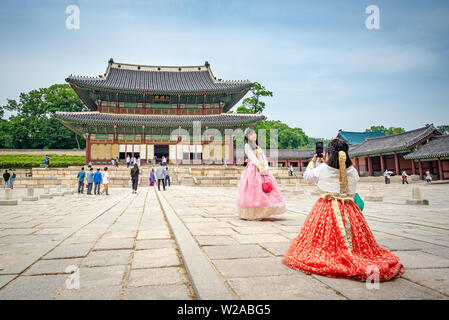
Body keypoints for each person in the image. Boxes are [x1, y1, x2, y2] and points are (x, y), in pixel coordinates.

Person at [282, 138, 404, 281]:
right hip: (349, 208)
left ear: (328, 154)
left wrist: (313, 162)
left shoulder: (322, 168)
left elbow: (307, 176)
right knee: (354, 239)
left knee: (324, 236)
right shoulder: (352, 170)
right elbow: (353, 182)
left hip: (328, 207)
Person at [237, 128, 286, 220]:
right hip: (253, 169)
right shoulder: (247, 146)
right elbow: (252, 157)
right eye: (251, 134)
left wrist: (266, 167)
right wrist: (260, 167)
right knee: (254, 190)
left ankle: (264, 210)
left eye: (254, 134)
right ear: (247, 137)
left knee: (266, 189)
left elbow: (264, 157)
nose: (254, 136)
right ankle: (253, 212)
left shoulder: (258, 147)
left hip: (263, 169)